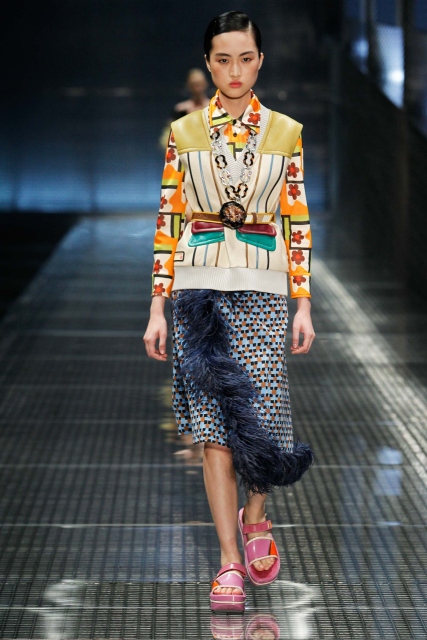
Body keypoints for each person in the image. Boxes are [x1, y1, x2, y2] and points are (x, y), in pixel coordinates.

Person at [144, 11, 315, 613]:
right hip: (198, 292)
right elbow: (168, 219)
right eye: (223, 59)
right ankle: (227, 561)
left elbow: (296, 218)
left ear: (260, 61)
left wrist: (303, 301)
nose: (235, 70)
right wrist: (157, 305)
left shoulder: (286, 132)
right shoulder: (184, 132)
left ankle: (256, 515)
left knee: (262, 416)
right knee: (215, 430)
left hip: (264, 290)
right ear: (209, 64)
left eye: (245, 58)